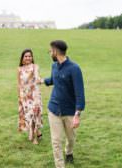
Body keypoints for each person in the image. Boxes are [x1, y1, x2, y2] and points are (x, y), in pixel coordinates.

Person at [39, 40, 85, 168]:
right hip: (53, 109)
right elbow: (54, 79)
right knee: (56, 141)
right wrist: (42, 80)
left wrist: (77, 114)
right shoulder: (54, 66)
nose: (49, 53)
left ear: (55, 51)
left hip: (70, 111)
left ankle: (69, 152)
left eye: (50, 51)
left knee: (71, 139)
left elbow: (80, 93)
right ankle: (60, 166)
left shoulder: (74, 69)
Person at [17, 49, 43, 144]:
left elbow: (36, 77)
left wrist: (41, 80)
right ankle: (34, 132)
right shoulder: (19, 69)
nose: (28, 58)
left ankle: (35, 137)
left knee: (34, 114)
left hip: (34, 95)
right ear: (23, 58)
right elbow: (19, 84)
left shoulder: (35, 67)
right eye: (26, 56)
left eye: (29, 56)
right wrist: (19, 97)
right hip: (25, 96)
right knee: (28, 115)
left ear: (32, 58)